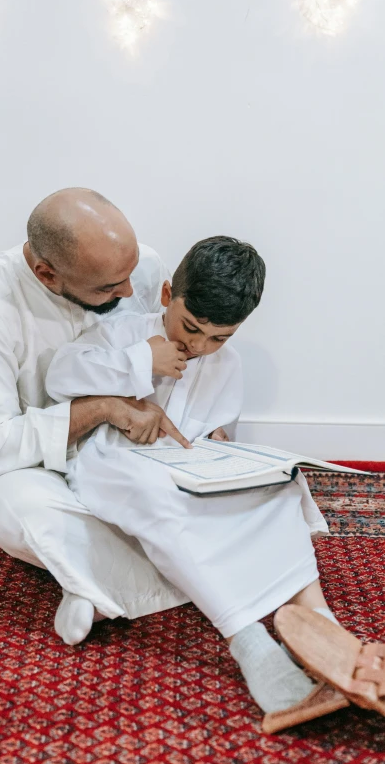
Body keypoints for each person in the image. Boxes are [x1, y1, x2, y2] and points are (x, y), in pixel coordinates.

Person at [45, 236, 338, 717]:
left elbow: (218, 427)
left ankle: (319, 619)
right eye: (191, 327)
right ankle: (248, 640)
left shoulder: (228, 363)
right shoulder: (121, 333)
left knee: (283, 483)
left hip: (188, 467)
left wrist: (226, 451)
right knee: (156, 495)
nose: (200, 346)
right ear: (166, 296)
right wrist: (144, 361)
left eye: (219, 337)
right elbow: (60, 379)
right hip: (114, 464)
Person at [0, 187, 193, 647]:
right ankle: (170, 571)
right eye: (109, 288)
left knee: (229, 489)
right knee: (26, 509)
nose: (130, 292)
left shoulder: (138, 267)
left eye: (132, 273)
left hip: (124, 454)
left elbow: (171, 354)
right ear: (46, 274)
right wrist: (101, 408)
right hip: (28, 470)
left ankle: (92, 586)